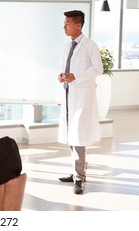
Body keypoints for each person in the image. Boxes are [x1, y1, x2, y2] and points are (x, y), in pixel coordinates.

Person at [57, 10, 103, 194]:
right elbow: (64, 67)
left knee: (78, 136)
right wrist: (61, 76)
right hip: (69, 95)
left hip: (82, 97)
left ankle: (79, 178)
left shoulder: (90, 45)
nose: (64, 26)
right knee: (71, 134)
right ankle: (74, 171)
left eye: (67, 23)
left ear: (78, 25)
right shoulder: (67, 46)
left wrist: (77, 76)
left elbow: (97, 69)